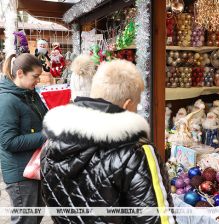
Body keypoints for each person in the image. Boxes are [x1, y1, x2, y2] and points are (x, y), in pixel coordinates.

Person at [41, 59, 175, 224]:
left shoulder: (51, 142)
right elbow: (158, 218)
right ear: (127, 105)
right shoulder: (136, 151)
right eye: (137, 105)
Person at [0, 53, 48, 224]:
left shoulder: (30, 93)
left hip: (33, 168)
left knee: (34, 218)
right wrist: (46, 135)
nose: (38, 81)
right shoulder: (6, 100)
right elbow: (8, 142)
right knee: (26, 220)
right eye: (35, 76)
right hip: (20, 174)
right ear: (20, 73)